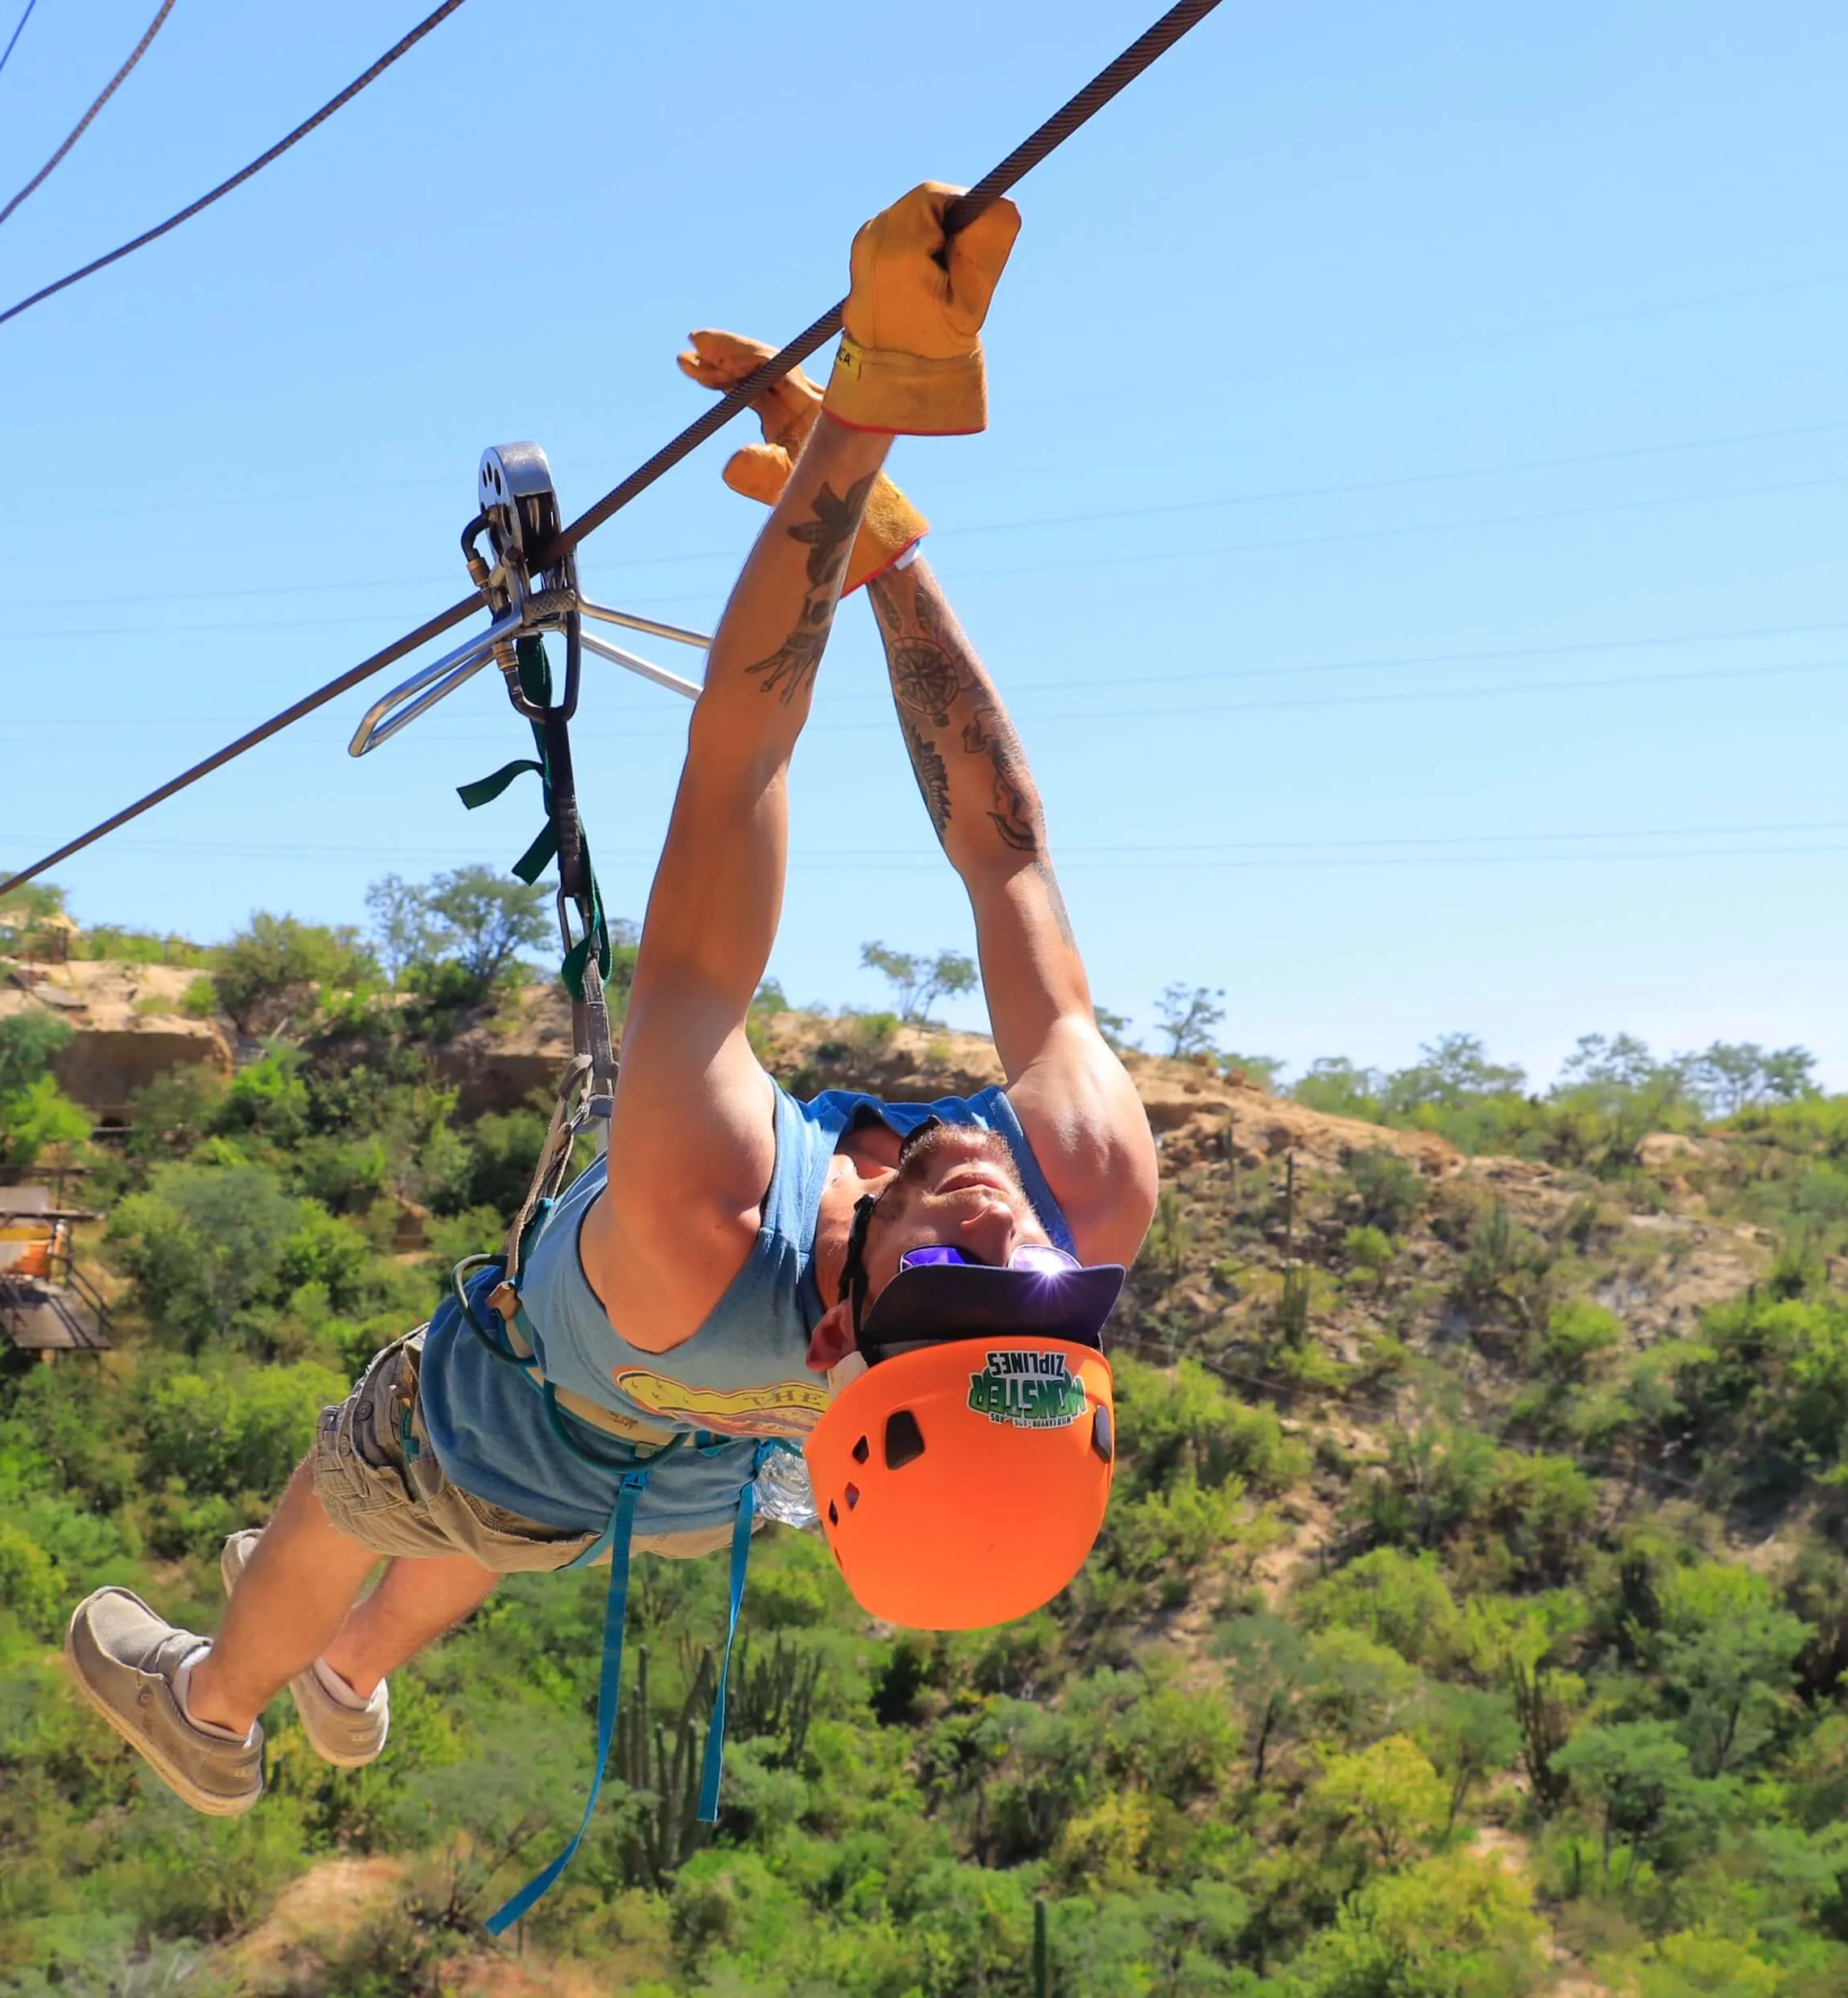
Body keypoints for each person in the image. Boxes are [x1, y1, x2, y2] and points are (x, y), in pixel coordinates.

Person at [66, 184, 1158, 1818]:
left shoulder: (700, 1211)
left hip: (548, 1398)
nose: (1008, 1221)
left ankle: (210, 1710)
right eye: (1043, 1288)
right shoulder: (1084, 1194)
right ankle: (351, 1679)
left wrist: (856, 423)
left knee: (364, 1475)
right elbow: (1002, 845)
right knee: (508, 1522)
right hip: (690, 1475)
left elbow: (740, 761)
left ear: (853, 1328)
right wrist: (884, 560)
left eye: (959, 1264)